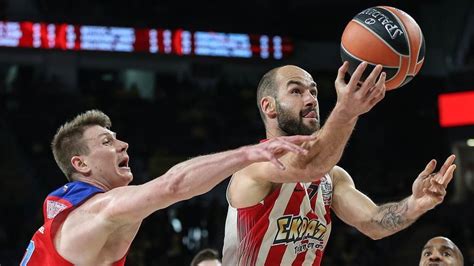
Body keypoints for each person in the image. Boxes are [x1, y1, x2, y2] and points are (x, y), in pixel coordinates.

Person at [222, 62, 457, 265]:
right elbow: (307, 165)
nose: (310, 99)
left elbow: (373, 222)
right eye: (296, 91)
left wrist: (416, 204)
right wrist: (347, 111)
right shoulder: (254, 165)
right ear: (268, 106)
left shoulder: (331, 177)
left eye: (313, 92)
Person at [20, 109, 315, 265]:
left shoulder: (62, 208)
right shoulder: (98, 210)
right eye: (107, 142)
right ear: (81, 164)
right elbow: (173, 186)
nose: (123, 144)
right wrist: (248, 154)